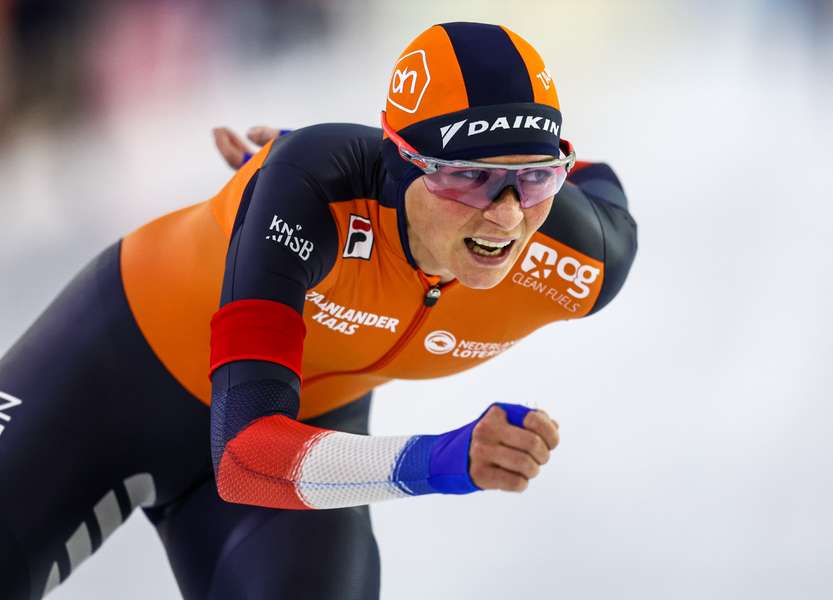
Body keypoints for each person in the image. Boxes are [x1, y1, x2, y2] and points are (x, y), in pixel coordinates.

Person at [0, 22, 637, 600]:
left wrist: (533, 170)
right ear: (399, 163)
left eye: (532, 178)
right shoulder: (313, 190)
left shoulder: (578, 257)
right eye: (467, 177)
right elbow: (247, 453)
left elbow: (600, 181)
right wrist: (443, 458)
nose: (505, 214)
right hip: (116, 372)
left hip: (299, 428)